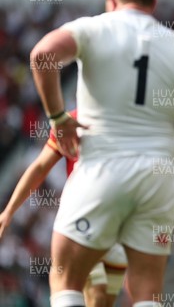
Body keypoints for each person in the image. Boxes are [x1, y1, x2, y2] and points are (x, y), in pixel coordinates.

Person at [29, 0, 174, 307]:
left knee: (65, 276)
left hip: (103, 166)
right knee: (147, 289)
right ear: (153, 3)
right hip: (159, 178)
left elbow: (42, 55)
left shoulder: (92, 29)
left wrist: (58, 117)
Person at [0, 110, 129, 307]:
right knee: (82, 288)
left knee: (101, 299)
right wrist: (9, 211)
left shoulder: (134, 122)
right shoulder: (72, 121)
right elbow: (40, 167)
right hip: (83, 222)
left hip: (117, 226)